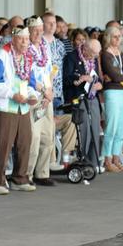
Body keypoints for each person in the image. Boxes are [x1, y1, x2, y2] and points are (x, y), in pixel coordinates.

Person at [0, 26, 38, 194]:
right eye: (21, 39)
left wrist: (33, 95)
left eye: (27, 39)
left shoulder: (28, 57)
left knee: (25, 143)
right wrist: (12, 94)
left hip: (23, 107)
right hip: (7, 107)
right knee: (4, 145)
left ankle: (20, 179)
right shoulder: (1, 54)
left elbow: (31, 83)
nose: (25, 42)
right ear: (13, 39)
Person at [63, 39, 104, 172]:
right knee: (85, 130)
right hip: (78, 98)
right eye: (93, 54)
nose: (95, 57)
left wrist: (99, 84)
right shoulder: (71, 57)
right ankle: (84, 162)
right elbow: (66, 78)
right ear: (85, 49)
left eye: (97, 54)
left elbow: (98, 78)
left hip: (92, 97)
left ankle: (94, 163)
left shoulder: (94, 58)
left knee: (95, 130)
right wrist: (81, 77)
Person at [25, 17, 56, 186]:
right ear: (28, 31)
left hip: (46, 95)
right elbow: (26, 74)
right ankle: (27, 174)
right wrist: (44, 92)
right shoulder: (26, 48)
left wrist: (49, 91)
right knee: (34, 137)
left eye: (40, 29)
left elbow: (50, 71)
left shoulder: (45, 47)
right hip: (33, 95)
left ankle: (42, 173)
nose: (38, 33)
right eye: (34, 30)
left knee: (47, 135)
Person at [100, 25, 123, 172]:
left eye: (119, 36)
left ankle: (116, 157)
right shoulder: (105, 55)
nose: (118, 39)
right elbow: (115, 75)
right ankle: (107, 159)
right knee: (111, 126)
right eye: (115, 36)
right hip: (112, 92)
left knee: (121, 127)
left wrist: (121, 78)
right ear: (108, 38)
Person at [43, 12, 76, 163]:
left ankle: (65, 161)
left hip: (58, 93)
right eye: (49, 22)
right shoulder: (38, 44)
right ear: (42, 25)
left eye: (54, 23)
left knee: (70, 122)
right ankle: (49, 163)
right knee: (48, 128)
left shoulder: (61, 45)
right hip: (43, 93)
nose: (52, 25)